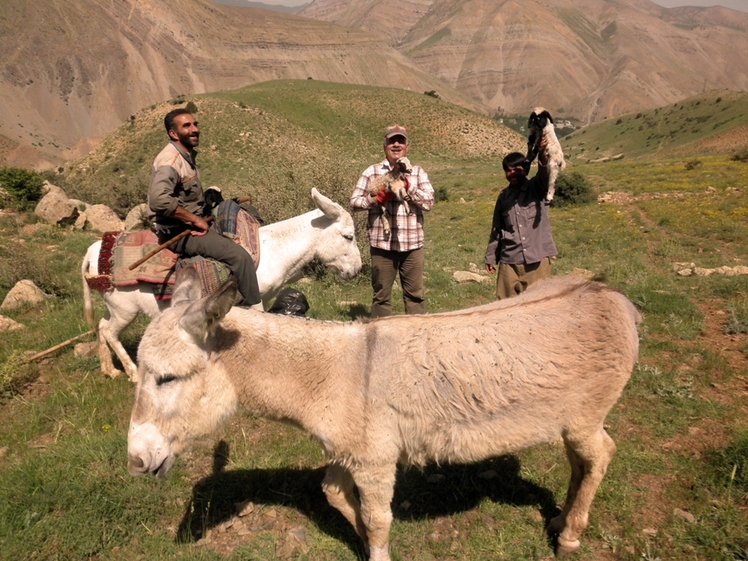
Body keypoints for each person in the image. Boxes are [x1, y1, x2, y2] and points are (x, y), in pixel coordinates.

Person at [147, 108, 262, 309]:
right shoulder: (170, 161)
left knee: (243, 210)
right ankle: (252, 309)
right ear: (173, 134)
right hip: (179, 231)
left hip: (193, 218)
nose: (194, 129)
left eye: (195, 124)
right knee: (240, 257)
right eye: (187, 126)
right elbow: (159, 200)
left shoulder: (185, 155)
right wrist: (195, 219)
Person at [350, 125, 435, 317]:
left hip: (412, 245)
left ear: (407, 146)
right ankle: (382, 339)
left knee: (415, 296)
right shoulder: (371, 172)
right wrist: (375, 200)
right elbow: (354, 203)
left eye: (401, 141)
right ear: (385, 146)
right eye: (391, 141)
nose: (396, 144)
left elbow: (429, 202)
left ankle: (416, 335)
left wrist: (408, 187)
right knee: (381, 297)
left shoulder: (418, 173)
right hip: (382, 245)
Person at [484, 140, 558, 300]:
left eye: (517, 169)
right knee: (504, 306)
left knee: (539, 305)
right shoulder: (503, 197)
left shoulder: (537, 188)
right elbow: (496, 229)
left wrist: (542, 152)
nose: (513, 174)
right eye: (508, 170)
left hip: (536, 260)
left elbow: (545, 173)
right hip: (509, 262)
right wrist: (490, 256)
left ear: (525, 169)